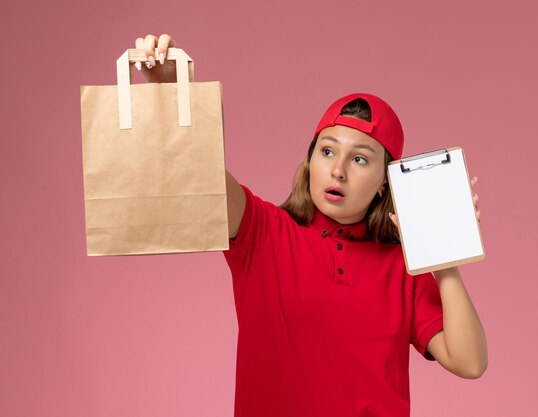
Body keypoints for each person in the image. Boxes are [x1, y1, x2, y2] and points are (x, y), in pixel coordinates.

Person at [133, 34, 488, 417]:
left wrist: (443, 256)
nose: (337, 170)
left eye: (360, 159)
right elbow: (198, 170)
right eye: (328, 150)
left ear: (386, 180)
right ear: (310, 159)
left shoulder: (404, 267)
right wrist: (170, 91)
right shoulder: (262, 231)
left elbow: (469, 363)